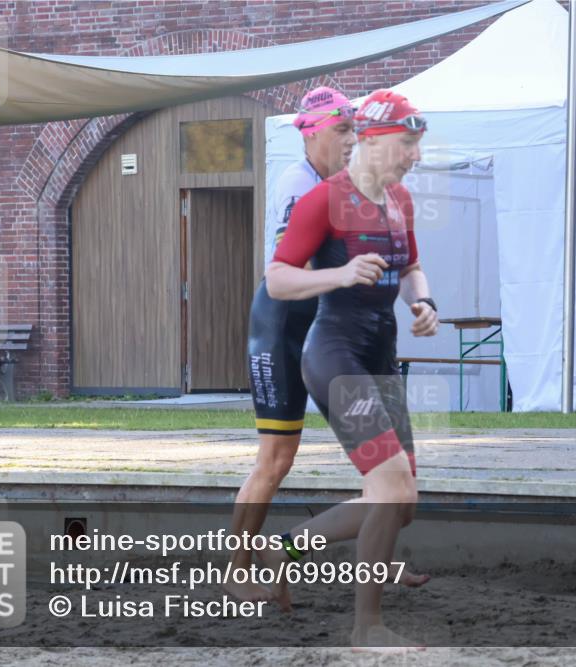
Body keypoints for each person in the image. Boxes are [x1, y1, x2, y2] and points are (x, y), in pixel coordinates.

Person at [226, 87, 427, 603]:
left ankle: (313, 552)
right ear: (311, 133)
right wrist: (345, 272)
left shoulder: (379, 190)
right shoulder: (305, 186)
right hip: (285, 327)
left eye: (351, 130)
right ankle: (238, 566)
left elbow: (401, 262)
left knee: (397, 490)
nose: (348, 139)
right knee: (275, 460)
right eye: (341, 131)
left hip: (343, 330)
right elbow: (288, 273)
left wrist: (419, 299)